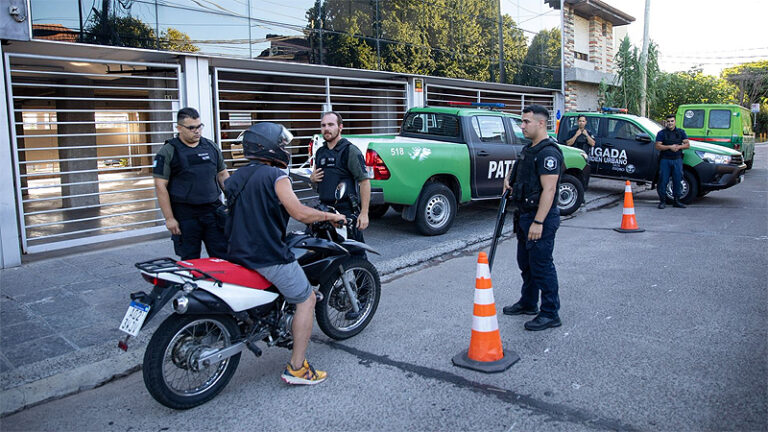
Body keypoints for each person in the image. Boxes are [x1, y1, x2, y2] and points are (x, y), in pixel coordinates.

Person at [225, 122, 346, 385]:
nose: (284, 149)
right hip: (266, 254)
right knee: (306, 299)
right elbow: (299, 212)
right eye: (281, 144)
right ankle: (298, 367)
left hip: (236, 253)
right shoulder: (276, 177)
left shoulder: (236, 177)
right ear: (267, 147)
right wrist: (330, 216)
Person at [501, 105, 563, 331]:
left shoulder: (548, 153)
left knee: (542, 267)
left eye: (526, 122)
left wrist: (538, 222)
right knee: (526, 265)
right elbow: (518, 171)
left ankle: (550, 313)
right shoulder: (529, 149)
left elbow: (549, 190)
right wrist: (509, 180)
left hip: (540, 218)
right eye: (522, 121)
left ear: (541, 123)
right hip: (524, 216)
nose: (522, 126)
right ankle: (528, 302)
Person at [153, 107, 229, 260]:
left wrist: (234, 201)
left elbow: (222, 175)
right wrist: (169, 218)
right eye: (192, 128)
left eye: (199, 126)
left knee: (223, 256)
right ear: (179, 128)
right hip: (185, 215)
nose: (197, 131)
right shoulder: (167, 151)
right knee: (190, 259)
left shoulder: (211, 147)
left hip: (212, 211)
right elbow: (160, 186)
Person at [309, 112, 370, 243]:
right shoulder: (320, 152)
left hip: (345, 213)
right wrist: (312, 179)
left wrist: (364, 213)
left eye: (331, 124)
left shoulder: (350, 151)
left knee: (355, 256)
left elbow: (364, 182)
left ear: (340, 127)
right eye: (323, 125)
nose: (326, 128)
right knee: (327, 254)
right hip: (324, 212)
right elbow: (317, 184)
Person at [655, 114, 690, 209]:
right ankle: (662, 201)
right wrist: (670, 147)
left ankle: (677, 201)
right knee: (663, 180)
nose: (670, 123)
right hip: (665, 160)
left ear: (675, 122)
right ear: (666, 122)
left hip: (677, 160)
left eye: (672, 121)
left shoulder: (681, 132)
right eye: (668, 121)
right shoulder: (661, 133)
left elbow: (687, 145)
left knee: (677, 180)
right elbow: (658, 146)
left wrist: (678, 147)